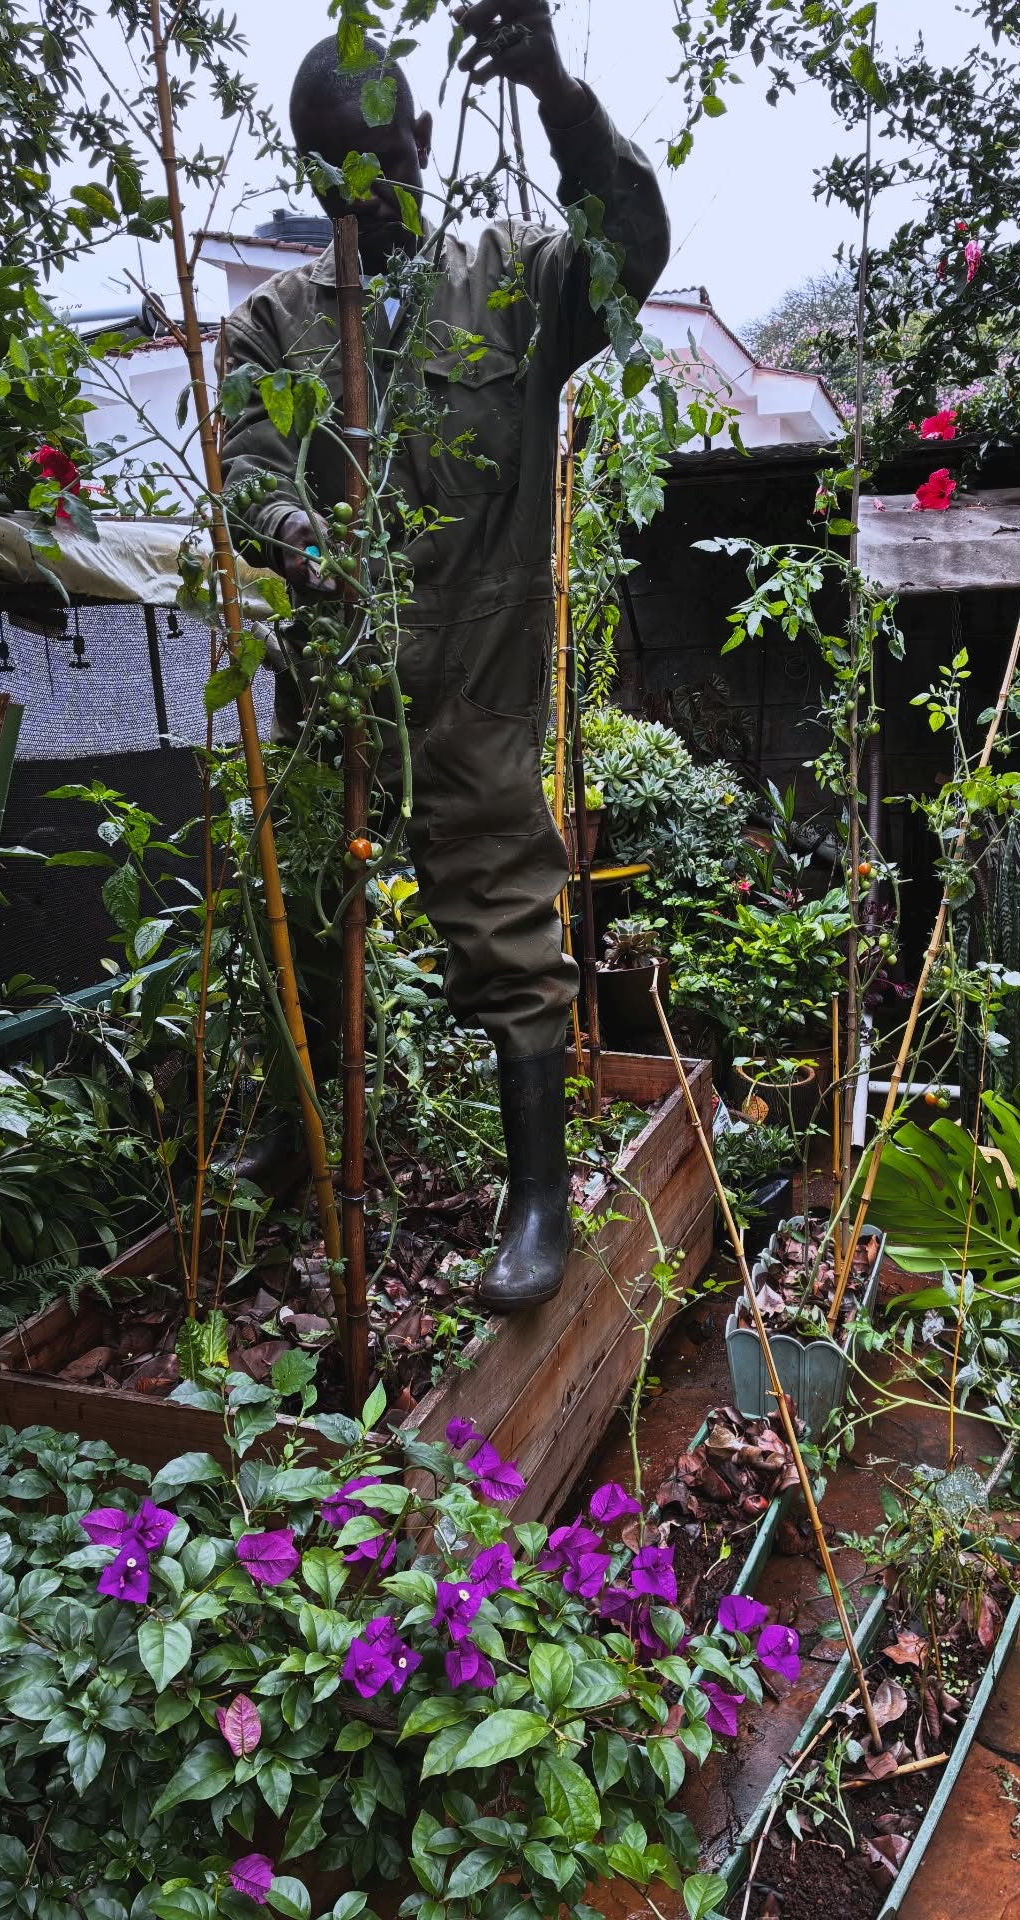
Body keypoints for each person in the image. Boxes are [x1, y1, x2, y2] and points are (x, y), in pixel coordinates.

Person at [222, 0, 669, 1309]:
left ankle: (537, 1202)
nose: (372, 198)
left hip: (475, 681)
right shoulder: (276, 327)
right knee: (302, 918)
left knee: (505, 928)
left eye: (390, 165)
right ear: (313, 176)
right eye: (342, 179)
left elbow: (629, 252)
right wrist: (292, 525)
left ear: (425, 137)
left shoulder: (519, 285)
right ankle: (296, 1142)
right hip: (334, 697)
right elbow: (245, 469)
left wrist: (558, 96)